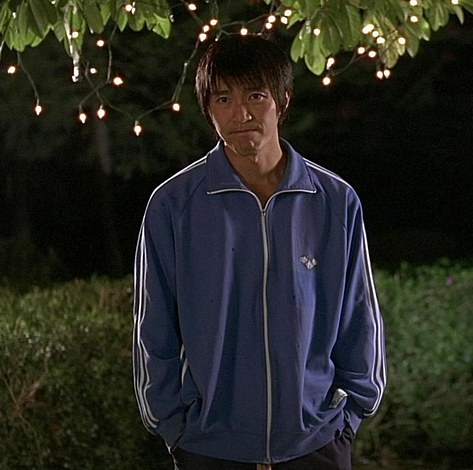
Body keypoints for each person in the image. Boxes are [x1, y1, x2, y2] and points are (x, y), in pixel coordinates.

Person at [132, 34, 386, 470]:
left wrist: (348, 417)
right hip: (210, 449)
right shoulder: (173, 205)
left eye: (255, 96)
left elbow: (359, 316)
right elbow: (153, 329)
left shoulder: (333, 201)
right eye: (223, 99)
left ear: (282, 101)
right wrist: (174, 427)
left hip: (315, 445)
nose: (241, 114)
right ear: (208, 110)